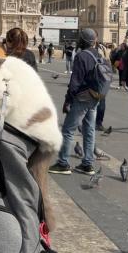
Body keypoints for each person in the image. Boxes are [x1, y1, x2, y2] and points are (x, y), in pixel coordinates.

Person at [49, 28, 100, 176]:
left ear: (82, 41)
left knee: (68, 130)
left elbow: (75, 83)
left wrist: (67, 101)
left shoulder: (82, 56)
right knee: (89, 131)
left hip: (82, 98)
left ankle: (63, 163)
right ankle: (87, 164)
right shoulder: (98, 54)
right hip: (95, 98)